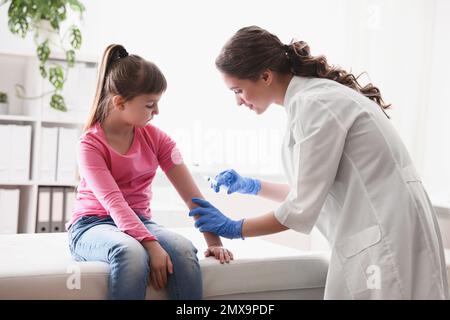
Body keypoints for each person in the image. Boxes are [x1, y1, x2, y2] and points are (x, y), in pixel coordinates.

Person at [188, 26, 449, 299]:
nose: (238, 102)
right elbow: (312, 193)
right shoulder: (311, 99)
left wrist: (234, 228)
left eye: (238, 90)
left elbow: (301, 208)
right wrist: (253, 186)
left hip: (387, 238)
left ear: (265, 76)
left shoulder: (315, 104)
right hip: (385, 232)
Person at [67, 44, 233, 300]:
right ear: (119, 102)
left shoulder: (158, 140)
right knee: (130, 253)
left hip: (140, 221)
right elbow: (114, 203)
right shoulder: (89, 145)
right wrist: (151, 245)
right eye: (150, 104)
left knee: (184, 251)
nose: (157, 112)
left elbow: (193, 196)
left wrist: (213, 242)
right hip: (92, 225)